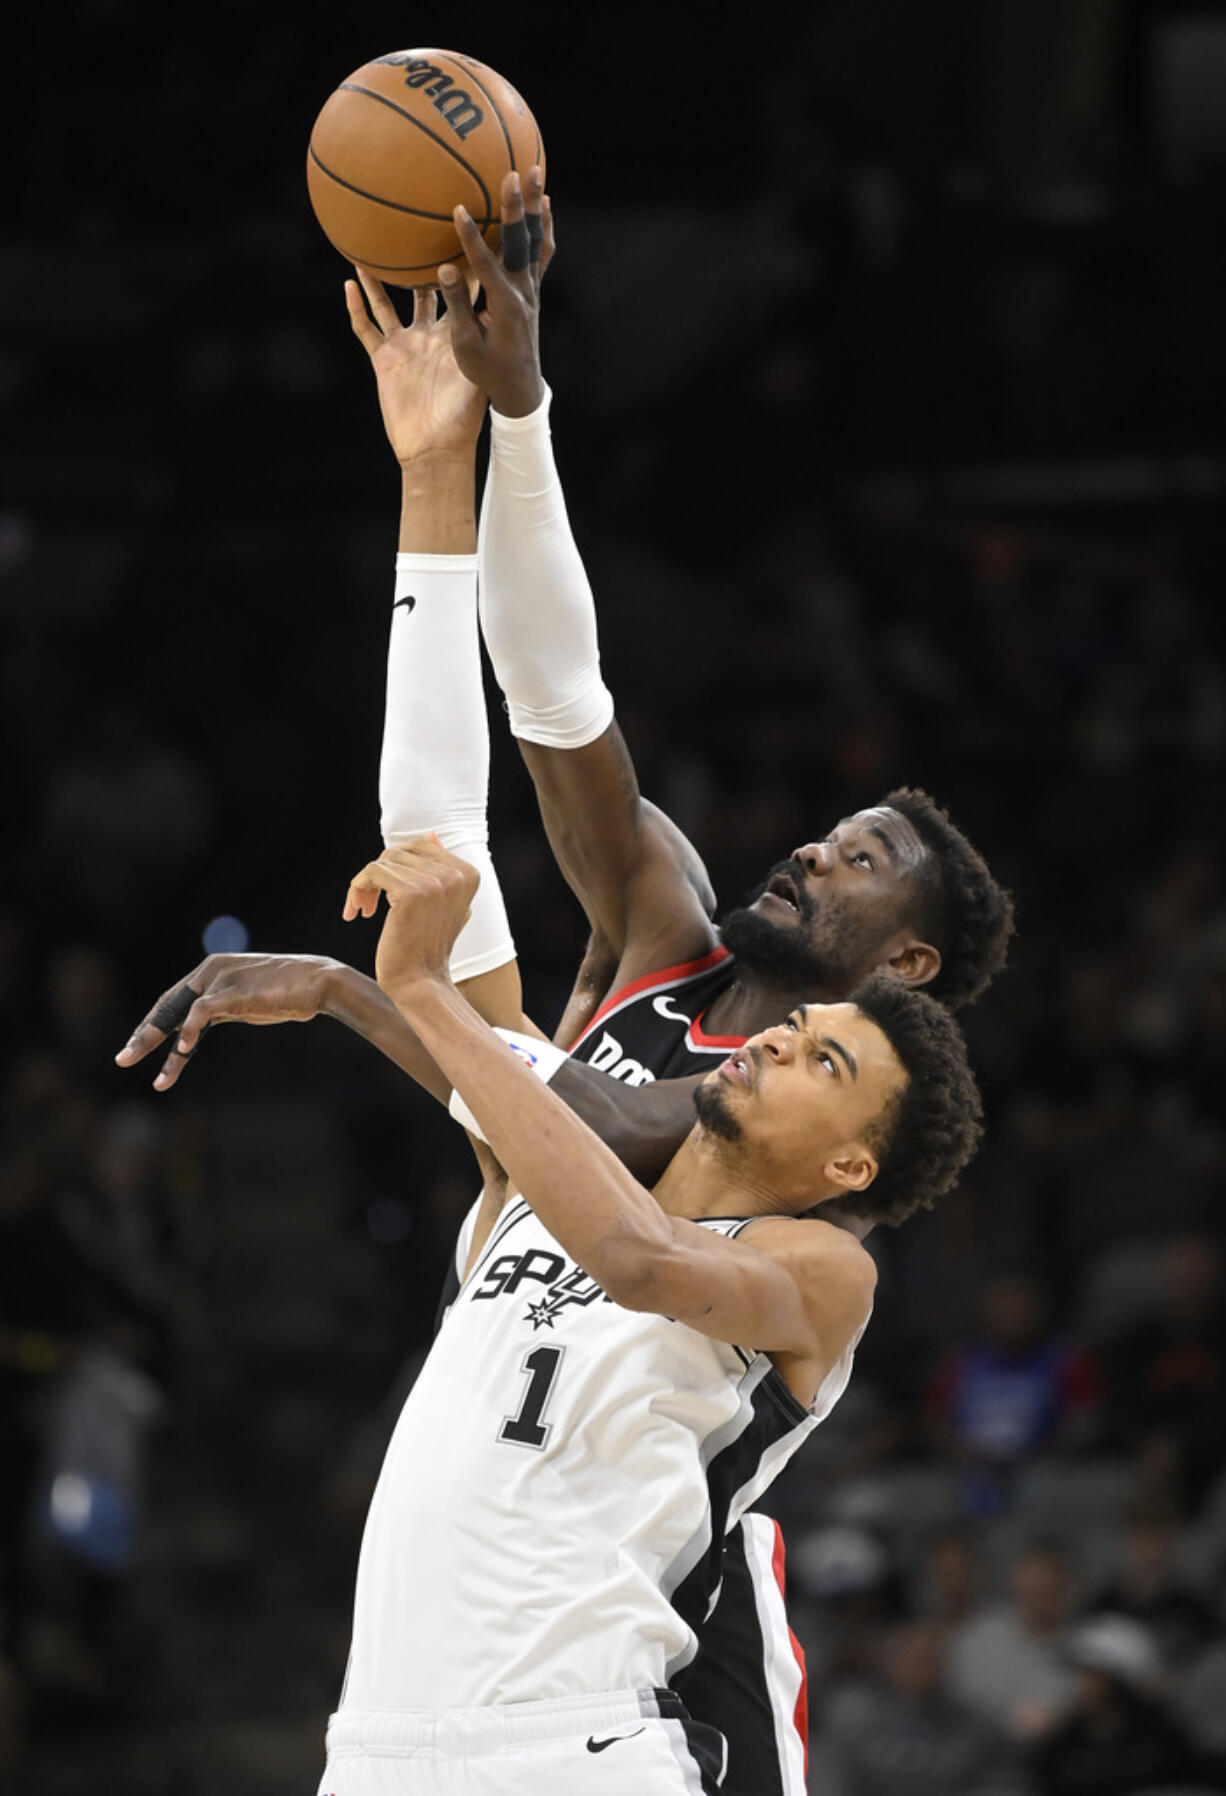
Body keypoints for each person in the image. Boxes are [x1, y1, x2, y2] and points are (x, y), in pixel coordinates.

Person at [118, 169, 1014, 1795]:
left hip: (660, 1656)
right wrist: (480, 440)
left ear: (907, 975)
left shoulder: (806, 1223)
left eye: (862, 856)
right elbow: (524, 728)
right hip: (434, 1692)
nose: (814, 848)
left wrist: (384, 1000)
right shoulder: (666, 936)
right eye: (830, 826)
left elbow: (575, 1127)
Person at [337, 833, 987, 1792]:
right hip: (375, 1742)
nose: (775, 1038)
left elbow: (637, 1258)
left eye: (822, 1062)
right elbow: (509, 1066)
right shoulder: (540, 1189)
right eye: (797, 1025)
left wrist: (420, 989)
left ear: (850, 1166)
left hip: (575, 1741)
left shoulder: (816, 1269)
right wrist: (341, 982)